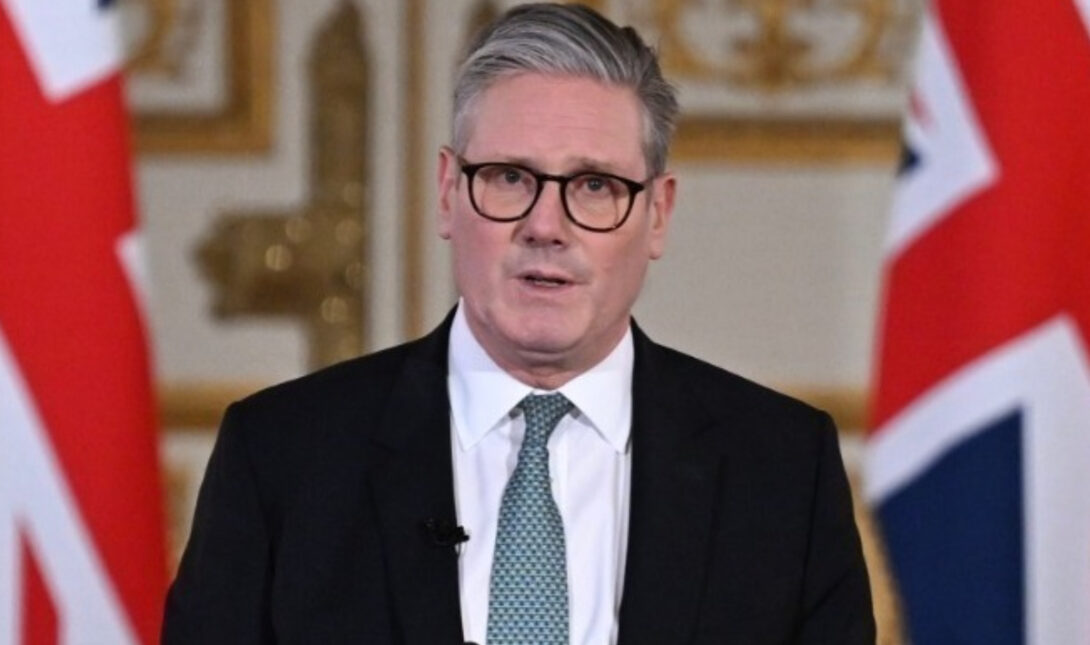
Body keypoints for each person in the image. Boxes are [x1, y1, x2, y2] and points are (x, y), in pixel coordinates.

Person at [162, 3, 875, 643]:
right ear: (448, 192)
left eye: (594, 185)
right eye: (510, 177)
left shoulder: (781, 474)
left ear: (657, 213)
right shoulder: (282, 458)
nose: (545, 225)